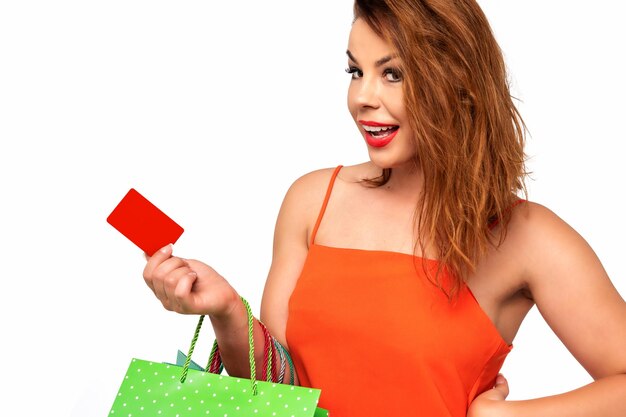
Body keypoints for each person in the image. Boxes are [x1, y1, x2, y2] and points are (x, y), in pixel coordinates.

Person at [142, 0, 626, 415]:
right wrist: (227, 311)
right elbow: (278, 394)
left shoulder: (525, 236)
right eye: (356, 71)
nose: (362, 98)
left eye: (392, 73)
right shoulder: (313, 201)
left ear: (457, 80)